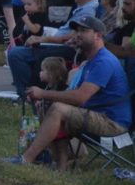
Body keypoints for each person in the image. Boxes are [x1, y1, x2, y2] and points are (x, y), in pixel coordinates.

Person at [9, 16, 131, 170]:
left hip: (111, 122)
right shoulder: (92, 61)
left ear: (98, 35)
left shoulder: (104, 62)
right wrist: (44, 98)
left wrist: (43, 93)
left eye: (83, 31)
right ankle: (60, 166)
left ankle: (26, 159)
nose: (77, 34)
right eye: (76, 30)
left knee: (58, 109)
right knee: (50, 106)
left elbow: (80, 97)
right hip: (96, 113)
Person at [8, 0, 101, 99]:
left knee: (16, 54)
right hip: (55, 43)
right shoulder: (83, 8)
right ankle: (29, 92)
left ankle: (27, 94)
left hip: (63, 47)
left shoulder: (88, 12)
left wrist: (42, 38)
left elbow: (72, 36)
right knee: (17, 52)